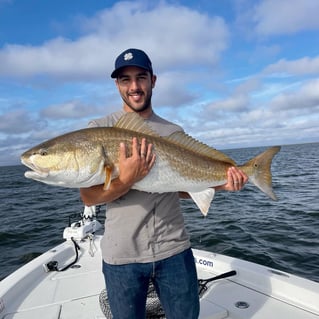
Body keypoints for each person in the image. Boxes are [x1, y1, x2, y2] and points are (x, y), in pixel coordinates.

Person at [80, 48, 248, 319]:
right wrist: (128, 178)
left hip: (174, 250)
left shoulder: (172, 132)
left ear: (153, 81)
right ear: (117, 84)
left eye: (141, 78)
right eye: (125, 79)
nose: (134, 87)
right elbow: (89, 197)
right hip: (122, 256)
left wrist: (222, 185)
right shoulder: (100, 129)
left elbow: (180, 187)